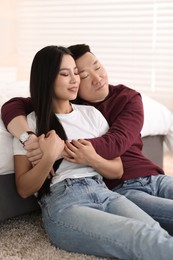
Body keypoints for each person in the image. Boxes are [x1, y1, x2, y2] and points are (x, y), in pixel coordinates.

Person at [8, 44, 173, 260]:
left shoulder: (92, 115)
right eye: (66, 74)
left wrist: (89, 157)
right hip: (64, 201)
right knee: (143, 237)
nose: (75, 80)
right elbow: (23, 188)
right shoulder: (29, 125)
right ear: (47, 78)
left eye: (76, 73)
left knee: (154, 232)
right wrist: (47, 157)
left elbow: (116, 169)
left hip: (104, 191)